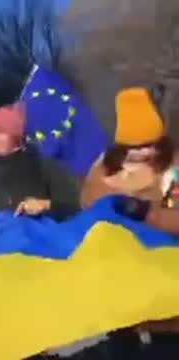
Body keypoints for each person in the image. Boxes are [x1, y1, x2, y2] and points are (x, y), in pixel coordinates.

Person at [81, 87, 179, 360]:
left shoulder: (172, 170)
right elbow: (89, 213)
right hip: (118, 294)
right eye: (134, 147)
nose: (142, 152)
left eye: (149, 144)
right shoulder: (103, 172)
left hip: (166, 292)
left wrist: (148, 213)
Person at [0, 102, 79, 221]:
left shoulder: (42, 167)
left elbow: (72, 207)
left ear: (16, 137)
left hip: (30, 236)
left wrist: (44, 205)